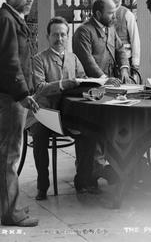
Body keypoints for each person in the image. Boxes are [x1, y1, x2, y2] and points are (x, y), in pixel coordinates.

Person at [0, 0, 40, 227]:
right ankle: (10, 213)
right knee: (11, 153)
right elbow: (10, 62)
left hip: (9, 92)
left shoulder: (8, 18)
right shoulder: (6, 20)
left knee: (5, 149)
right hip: (10, 94)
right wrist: (23, 94)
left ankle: (1, 206)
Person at [30, 17, 98, 199]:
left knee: (89, 132)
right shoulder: (39, 59)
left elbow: (83, 80)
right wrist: (63, 83)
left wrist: (95, 88)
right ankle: (42, 185)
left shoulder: (73, 58)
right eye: (55, 35)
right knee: (39, 135)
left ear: (67, 37)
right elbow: (39, 88)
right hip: (44, 113)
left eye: (63, 35)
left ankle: (82, 181)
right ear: (47, 36)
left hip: (68, 113)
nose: (59, 39)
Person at [73, 0, 132, 82]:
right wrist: (104, 79)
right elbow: (87, 61)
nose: (114, 17)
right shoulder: (83, 32)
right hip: (92, 85)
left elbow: (120, 49)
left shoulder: (110, 27)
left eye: (114, 12)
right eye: (110, 13)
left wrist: (124, 69)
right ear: (98, 14)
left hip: (112, 83)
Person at [105, 0, 141, 73]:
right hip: (107, 61)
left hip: (125, 61)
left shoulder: (127, 14)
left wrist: (135, 63)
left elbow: (135, 39)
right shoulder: (102, 14)